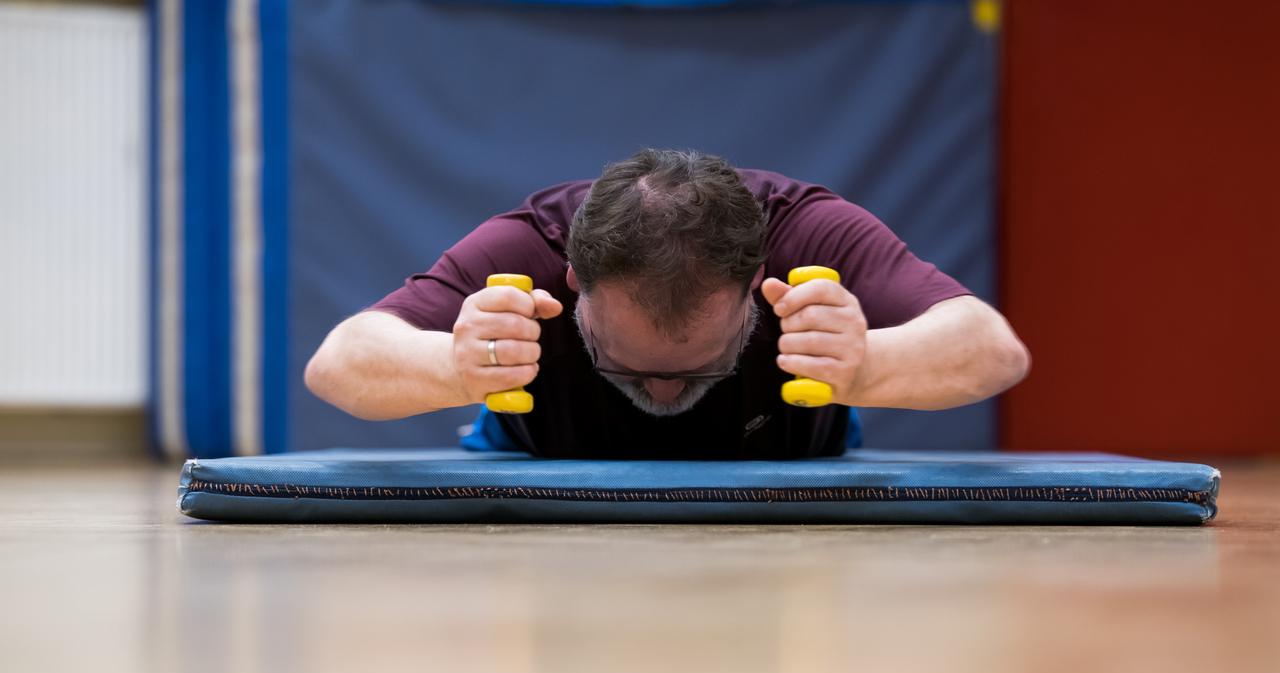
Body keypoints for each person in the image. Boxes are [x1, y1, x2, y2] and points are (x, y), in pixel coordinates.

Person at [304, 149, 1029, 459]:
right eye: (624, 365)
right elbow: (337, 364)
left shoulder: (807, 232)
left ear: (755, 280)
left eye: (697, 370)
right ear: (574, 281)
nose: (659, 390)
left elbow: (994, 349)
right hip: (539, 470)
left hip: (791, 477)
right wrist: (452, 367)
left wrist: (871, 364)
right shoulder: (528, 247)